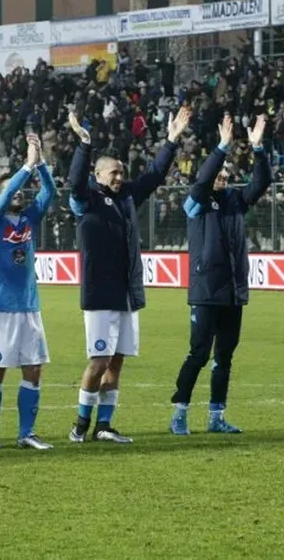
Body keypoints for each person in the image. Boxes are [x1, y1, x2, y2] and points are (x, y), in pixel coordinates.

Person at [67, 106, 192, 444]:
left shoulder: (126, 199)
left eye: (121, 173)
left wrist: (170, 141)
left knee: (117, 361)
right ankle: (80, 423)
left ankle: (104, 426)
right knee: (99, 360)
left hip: (127, 294)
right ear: (98, 175)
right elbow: (74, 181)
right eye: (113, 173)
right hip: (100, 294)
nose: (120, 178)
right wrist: (84, 144)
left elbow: (153, 175)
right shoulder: (86, 201)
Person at [170, 113, 271, 435]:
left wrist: (257, 148)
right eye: (219, 173)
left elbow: (261, 182)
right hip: (205, 292)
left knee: (224, 357)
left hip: (233, 292)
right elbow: (202, 181)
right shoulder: (195, 204)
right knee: (198, 354)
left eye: (227, 174)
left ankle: (216, 416)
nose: (224, 177)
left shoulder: (234, 201)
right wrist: (222, 147)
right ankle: (179, 413)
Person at [0, 133, 56, 450]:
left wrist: (40, 165)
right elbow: (7, 192)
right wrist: (25, 167)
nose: (19, 193)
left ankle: (26, 433)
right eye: (11, 189)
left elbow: (50, 193)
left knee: (34, 371)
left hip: (30, 308)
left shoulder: (28, 218)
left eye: (21, 190)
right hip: (1, 309)